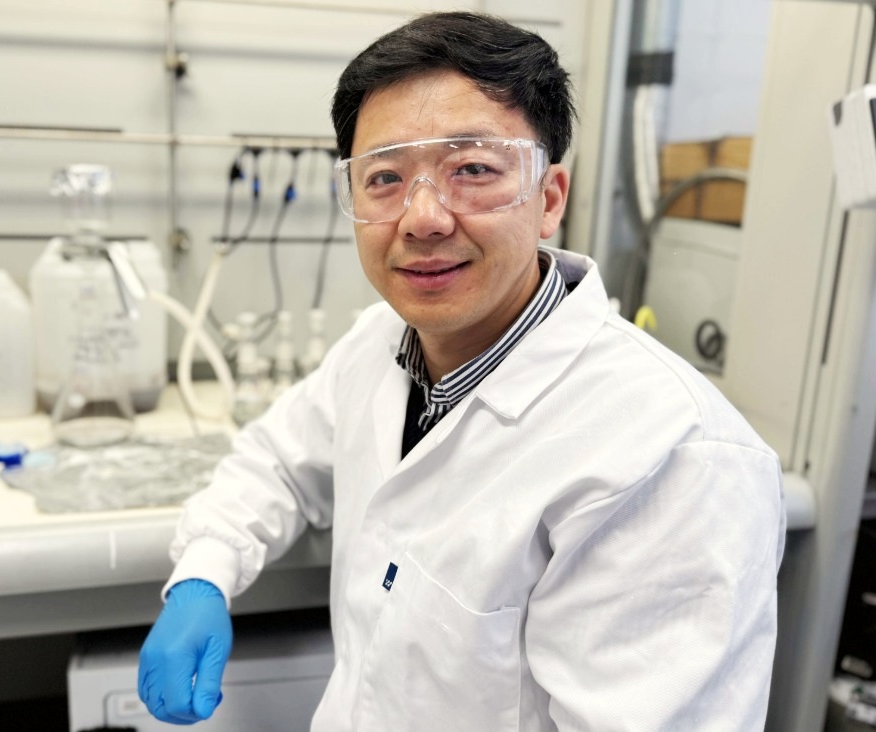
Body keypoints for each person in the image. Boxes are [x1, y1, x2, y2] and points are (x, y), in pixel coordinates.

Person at [138, 10, 786, 730]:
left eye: (472, 169)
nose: (422, 218)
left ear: (549, 199)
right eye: (384, 177)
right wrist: (203, 573)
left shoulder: (671, 456)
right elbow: (277, 460)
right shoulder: (381, 341)